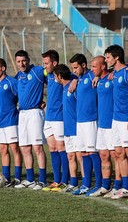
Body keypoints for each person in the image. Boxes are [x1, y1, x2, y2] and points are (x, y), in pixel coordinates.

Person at [86, 55, 121, 197]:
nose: (91, 69)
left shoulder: (113, 79)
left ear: (103, 66)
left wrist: (115, 73)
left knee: (116, 155)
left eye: (94, 66)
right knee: (104, 155)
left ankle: (119, 185)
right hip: (102, 125)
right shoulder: (98, 80)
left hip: (113, 124)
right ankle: (106, 186)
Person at [13, 50, 47, 190]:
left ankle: (42, 180)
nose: (22, 64)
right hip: (22, 114)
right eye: (19, 61)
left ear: (28, 59)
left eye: (24, 60)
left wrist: (74, 78)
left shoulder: (38, 71)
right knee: (25, 148)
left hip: (35, 113)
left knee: (37, 147)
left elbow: (53, 76)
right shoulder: (18, 76)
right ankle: (30, 179)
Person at [69, 53, 102, 196]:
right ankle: (86, 184)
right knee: (82, 153)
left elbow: (104, 74)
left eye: (76, 67)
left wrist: (98, 76)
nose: (74, 70)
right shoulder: (79, 79)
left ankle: (99, 184)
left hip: (91, 121)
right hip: (80, 121)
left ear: (83, 65)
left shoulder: (92, 77)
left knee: (93, 152)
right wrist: (75, 80)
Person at [41, 50, 69, 192]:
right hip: (49, 118)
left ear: (54, 63)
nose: (44, 66)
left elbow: (75, 77)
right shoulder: (49, 75)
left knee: (61, 147)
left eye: (46, 63)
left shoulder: (61, 75)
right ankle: (56, 180)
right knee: (52, 148)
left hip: (59, 118)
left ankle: (65, 180)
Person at [53, 64, 84, 192]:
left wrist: (76, 80)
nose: (54, 79)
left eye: (55, 76)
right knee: (70, 156)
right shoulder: (65, 88)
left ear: (60, 76)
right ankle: (73, 183)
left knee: (80, 156)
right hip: (67, 128)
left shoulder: (74, 87)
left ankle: (85, 182)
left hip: (76, 128)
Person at [0, 58, 22, 187]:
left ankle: (18, 177)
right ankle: (6, 178)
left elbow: (21, 95)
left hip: (11, 120)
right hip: (0, 122)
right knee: (3, 149)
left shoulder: (11, 82)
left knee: (14, 148)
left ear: (3, 68)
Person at [104, 45, 128, 199]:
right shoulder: (115, 74)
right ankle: (124, 188)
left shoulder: (126, 73)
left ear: (116, 57)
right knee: (119, 153)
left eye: (108, 57)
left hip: (126, 119)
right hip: (116, 120)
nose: (106, 60)